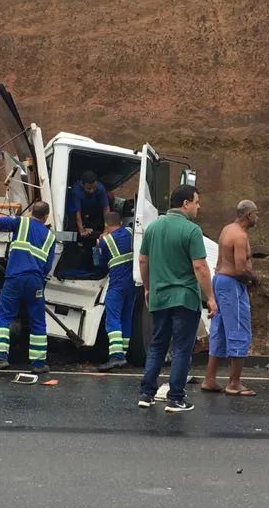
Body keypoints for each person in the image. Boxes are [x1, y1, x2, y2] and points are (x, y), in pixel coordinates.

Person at [137, 185, 217, 413]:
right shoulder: (192, 231)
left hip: (159, 297)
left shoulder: (152, 228)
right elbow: (200, 266)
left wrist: (147, 288)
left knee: (157, 345)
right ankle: (175, 398)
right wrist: (210, 297)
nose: (198, 207)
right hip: (184, 298)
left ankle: (146, 393)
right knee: (182, 348)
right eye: (196, 202)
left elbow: (143, 260)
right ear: (185, 204)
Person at [0, 202, 57, 375]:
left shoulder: (22, 223)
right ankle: (38, 364)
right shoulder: (51, 237)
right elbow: (48, 266)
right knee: (38, 320)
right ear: (46, 217)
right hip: (35, 280)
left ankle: (0, 358)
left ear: (32, 212)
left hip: (15, 278)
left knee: (4, 316)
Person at [200, 200, 259, 397]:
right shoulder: (240, 236)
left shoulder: (227, 229)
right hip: (232, 284)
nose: (257, 218)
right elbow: (241, 269)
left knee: (220, 329)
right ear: (248, 215)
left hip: (220, 281)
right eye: (255, 214)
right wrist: (253, 281)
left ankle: (210, 379)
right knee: (239, 329)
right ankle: (234, 383)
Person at [95, 211, 135, 372]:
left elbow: (100, 264)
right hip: (133, 283)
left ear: (106, 225)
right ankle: (123, 354)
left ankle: (116, 356)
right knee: (126, 318)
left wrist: (98, 245)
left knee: (113, 318)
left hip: (117, 284)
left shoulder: (106, 241)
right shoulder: (131, 232)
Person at [66, 170, 110, 239]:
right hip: (79, 211)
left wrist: (107, 228)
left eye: (94, 188)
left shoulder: (101, 188)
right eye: (88, 188)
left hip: (94, 210)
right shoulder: (76, 191)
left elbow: (106, 208)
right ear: (82, 184)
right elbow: (77, 212)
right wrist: (82, 230)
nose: (92, 191)